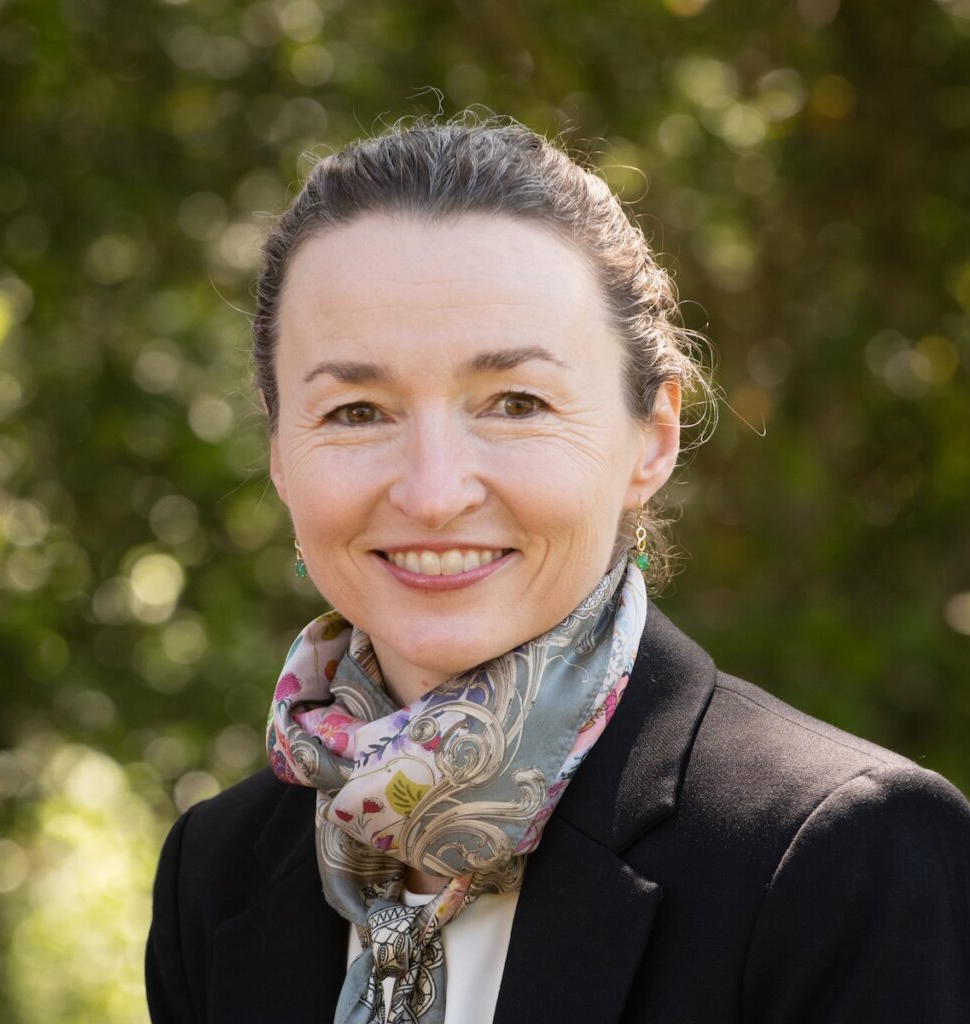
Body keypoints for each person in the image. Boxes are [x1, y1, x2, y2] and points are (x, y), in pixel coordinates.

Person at [145, 117, 970, 1024]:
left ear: (652, 437)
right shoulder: (215, 872)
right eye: (355, 411)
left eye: (514, 402)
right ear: (277, 453)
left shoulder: (839, 856)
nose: (432, 492)